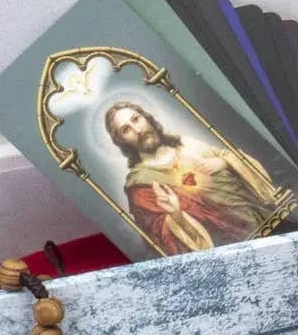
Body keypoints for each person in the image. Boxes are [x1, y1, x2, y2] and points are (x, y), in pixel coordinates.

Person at [104, 100, 280, 254]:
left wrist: (225, 162)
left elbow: (241, 163)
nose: (138, 129)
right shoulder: (140, 186)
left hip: (266, 219)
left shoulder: (187, 144)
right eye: (126, 130)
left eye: (136, 119)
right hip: (230, 246)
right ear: (122, 141)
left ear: (146, 118)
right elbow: (158, 237)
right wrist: (175, 215)